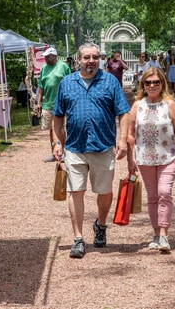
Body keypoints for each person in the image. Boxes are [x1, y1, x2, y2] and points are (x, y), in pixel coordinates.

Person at [51, 42, 130, 259]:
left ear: (100, 59)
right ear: (79, 60)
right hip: (75, 147)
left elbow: (123, 113)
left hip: (103, 146)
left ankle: (101, 225)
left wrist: (122, 140)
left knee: (104, 192)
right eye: (86, 57)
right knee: (76, 191)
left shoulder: (110, 82)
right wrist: (57, 142)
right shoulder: (66, 83)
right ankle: (78, 238)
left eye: (95, 57)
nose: (91, 61)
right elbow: (57, 115)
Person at [127, 67, 175, 252]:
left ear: (162, 83)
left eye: (156, 82)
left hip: (168, 157)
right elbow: (130, 134)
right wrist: (130, 159)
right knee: (152, 197)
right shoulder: (137, 106)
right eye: (148, 82)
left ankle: (164, 235)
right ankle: (155, 234)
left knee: (164, 192)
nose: (152, 85)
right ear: (143, 85)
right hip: (145, 159)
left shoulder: (170, 104)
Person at [37, 47, 71, 162]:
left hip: (62, 102)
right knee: (51, 129)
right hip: (47, 103)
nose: (46, 59)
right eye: (45, 57)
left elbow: (70, 84)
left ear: (54, 56)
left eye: (48, 57)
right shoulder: (44, 69)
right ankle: (53, 152)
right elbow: (41, 87)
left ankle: (63, 152)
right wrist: (39, 102)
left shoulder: (64, 67)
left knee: (61, 127)